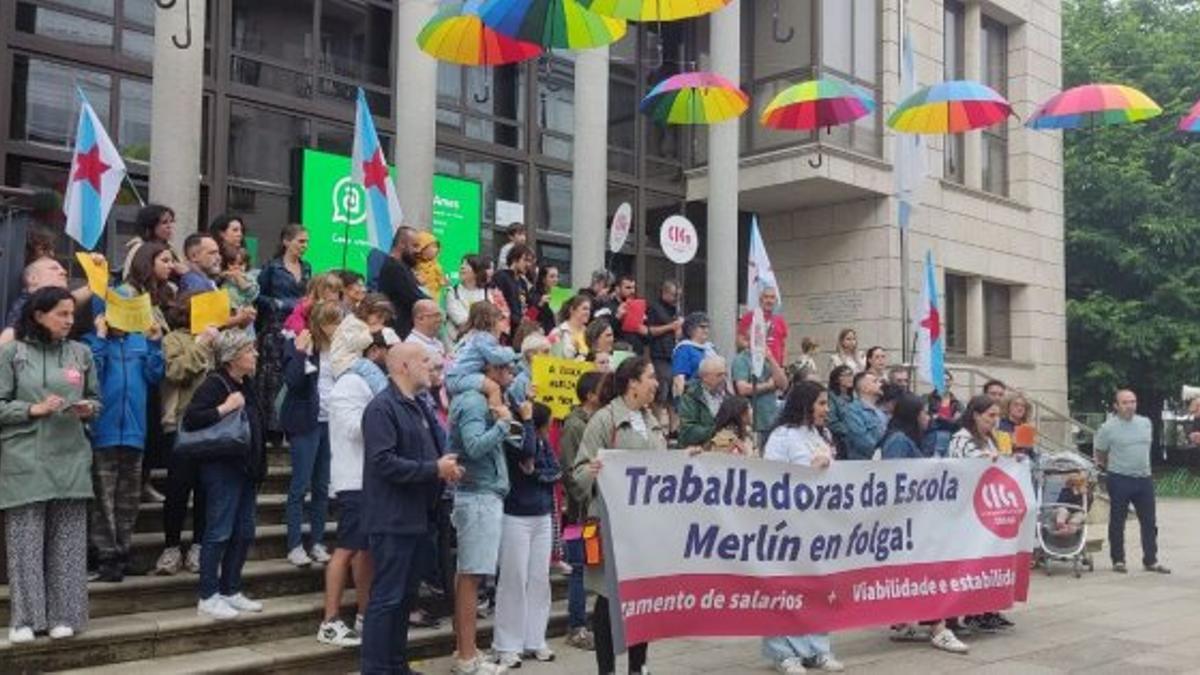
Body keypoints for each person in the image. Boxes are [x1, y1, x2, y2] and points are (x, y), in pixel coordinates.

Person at [0, 287, 99, 643]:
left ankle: (64, 615)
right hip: (25, 459)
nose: (70, 321)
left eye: (72, 314)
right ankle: (25, 619)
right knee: (25, 543)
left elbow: (96, 398)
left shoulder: (81, 353)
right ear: (39, 315)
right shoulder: (13, 353)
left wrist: (88, 408)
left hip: (71, 456)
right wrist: (32, 409)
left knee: (69, 542)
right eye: (62, 314)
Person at [360, 343, 464, 673]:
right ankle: (376, 668)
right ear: (403, 366)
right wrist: (433, 469)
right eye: (423, 360)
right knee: (387, 598)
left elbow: (433, 451)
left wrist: (445, 468)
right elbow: (383, 463)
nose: (431, 366)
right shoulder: (382, 408)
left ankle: (396, 664)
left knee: (404, 599)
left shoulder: (419, 406)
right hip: (392, 518)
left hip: (420, 517)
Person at [573, 357, 666, 675]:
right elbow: (579, 474)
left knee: (642, 597)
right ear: (633, 383)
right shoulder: (604, 419)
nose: (656, 382)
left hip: (645, 525)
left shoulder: (652, 419)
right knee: (608, 597)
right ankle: (606, 668)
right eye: (650, 377)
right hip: (611, 524)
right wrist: (593, 470)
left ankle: (638, 666)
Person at [449, 345, 526, 675]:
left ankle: (468, 651)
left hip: (488, 495)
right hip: (476, 495)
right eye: (508, 369)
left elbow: (519, 442)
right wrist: (501, 424)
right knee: (470, 576)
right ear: (490, 371)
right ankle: (466, 657)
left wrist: (511, 416)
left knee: (472, 574)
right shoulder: (470, 401)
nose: (512, 375)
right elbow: (474, 446)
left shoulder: (494, 400)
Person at [760, 381, 844, 673]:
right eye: (821, 403)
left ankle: (817, 648)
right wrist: (808, 470)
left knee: (817, 587)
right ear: (806, 404)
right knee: (785, 588)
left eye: (826, 403)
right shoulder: (782, 437)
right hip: (787, 525)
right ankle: (784, 652)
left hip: (818, 525)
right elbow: (769, 479)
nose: (826, 409)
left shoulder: (823, 434)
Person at [319, 315, 393, 645]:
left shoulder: (364, 382)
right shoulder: (350, 383)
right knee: (347, 549)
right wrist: (383, 419)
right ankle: (330, 620)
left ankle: (364, 614)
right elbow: (352, 427)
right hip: (353, 480)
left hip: (369, 480)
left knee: (365, 551)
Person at [183, 330, 267, 621]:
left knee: (244, 532)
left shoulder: (247, 383)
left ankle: (231, 589)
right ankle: (208, 595)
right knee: (219, 532)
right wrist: (224, 408)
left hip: (246, 470)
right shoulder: (214, 384)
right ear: (232, 357)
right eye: (249, 350)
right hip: (222, 469)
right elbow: (192, 419)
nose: (255, 355)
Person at [882, 393, 971, 654]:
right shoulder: (898, 440)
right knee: (925, 571)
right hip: (907, 519)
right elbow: (894, 478)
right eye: (923, 413)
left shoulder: (907, 437)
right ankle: (938, 627)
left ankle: (909, 622)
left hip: (914, 517)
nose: (928, 417)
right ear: (912, 415)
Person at [86, 296, 165, 582]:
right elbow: (91, 376)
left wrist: (155, 344)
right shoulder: (92, 342)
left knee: (128, 499)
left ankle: (123, 550)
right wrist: (100, 338)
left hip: (134, 432)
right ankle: (104, 555)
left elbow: (156, 375)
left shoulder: (139, 342)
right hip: (103, 434)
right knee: (103, 499)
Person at [493, 401, 561, 668]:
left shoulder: (543, 443)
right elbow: (526, 452)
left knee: (539, 579)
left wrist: (537, 475)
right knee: (514, 578)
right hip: (515, 517)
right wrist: (528, 421)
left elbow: (555, 470)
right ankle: (507, 644)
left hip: (541, 516)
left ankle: (535, 639)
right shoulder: (516, 436)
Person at [153, 293, 216, 576]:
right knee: (177, 489)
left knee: (205, 489)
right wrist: (201, 346)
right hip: (179, 422)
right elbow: (175, 372)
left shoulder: (214, 337)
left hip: (211, 423)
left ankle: (198, 547)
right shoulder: (173, 339)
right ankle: (171, 547)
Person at [281, 301, 344, 567]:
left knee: (321, 486)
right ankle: (294, 543)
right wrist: (299, 353)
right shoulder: (303, 343)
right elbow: (293, 381)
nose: (336, 327)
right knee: (300, 484)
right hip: (305, 421)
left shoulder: (341, 349)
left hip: (332, 421)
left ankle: (317, 541)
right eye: (331, 322)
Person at [1094, 389, 1170, 574]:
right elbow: (1100, 452)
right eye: (1125, 402)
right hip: (1119, 478)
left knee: (1149, 522)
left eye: (1133, 401)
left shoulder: (1145, 423)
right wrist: (1107, 467)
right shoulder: (1108, 428)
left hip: (1144, 479)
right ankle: (1118, 560)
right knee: (1118, 521)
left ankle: (1151, 560)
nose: (1130, 406)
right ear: (1116, 406)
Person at [558, 371, 603, 652]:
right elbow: (571, 469)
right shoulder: (575, 425)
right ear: (589, 394)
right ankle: (576, 626)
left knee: (595, 566)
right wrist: (584, 495)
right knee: (578, 569)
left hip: (596, 508)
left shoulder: (597, 421)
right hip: (580, 512)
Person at [257, 224, 312, 439]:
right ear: (286, 242)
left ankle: (290, 423)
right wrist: (278, 304)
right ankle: (271, 428)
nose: (304, 246)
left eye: (306, 242)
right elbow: (257, 296)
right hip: (275, 327)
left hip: (298, 328)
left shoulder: (307, 267)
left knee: (295, 373)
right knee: (273, 376)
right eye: (300, 241)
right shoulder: (272, 268)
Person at [731, 336, 788, 448]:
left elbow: (784, 384)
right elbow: (742, 389)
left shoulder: (767, 359)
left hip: (772, 419)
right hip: (754, 421)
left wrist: (771, 358)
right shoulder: (741, 360)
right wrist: (769, 385)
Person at [377, 225, 428, 340]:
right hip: (399, 331)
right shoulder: (395, 267)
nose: (418, 251)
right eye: (414, 246)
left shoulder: (402, 267)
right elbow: (415, 297)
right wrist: (432, 305)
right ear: (401, 244)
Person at [646, 279, 683, 428]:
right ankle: (656, 425)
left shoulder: (675, 309)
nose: (676, 299)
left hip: (673, 354)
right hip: (659, 354)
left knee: (674, 395)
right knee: (661, 392)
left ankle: (674, 428)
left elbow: (677, 331)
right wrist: (671, 326)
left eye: (679, 296)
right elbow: (650, 331)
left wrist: (678, 329)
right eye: (674, 296)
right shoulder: (655, 308)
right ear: (665, 293)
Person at [121, 203, 188, 281]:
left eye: (171, 222)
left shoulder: (171, 248)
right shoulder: (139, 248)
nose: (169, 226)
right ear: (150, 225)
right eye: (164, 222)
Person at [677, 355, 729, 448]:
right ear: (705, 377)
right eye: (719, 375)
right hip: (696, 453)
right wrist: (715, 430)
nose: (724, 379)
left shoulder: (728, 396)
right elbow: (687, 432)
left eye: (725, 374)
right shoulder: (690, 397)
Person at [838, 372, 888, 460]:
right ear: (865, 388)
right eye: (875, 382)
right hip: (862, 466)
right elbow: (862, 442)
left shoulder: (881, 411)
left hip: (883, 462)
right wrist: (886, 449)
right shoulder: (852, 411)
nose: (880, 384)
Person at [494, 244, 536, 344]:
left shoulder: (522, 282)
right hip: (504, 333)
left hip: (519, 334)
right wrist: (518, 320)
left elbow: (529, 307)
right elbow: (498, 305)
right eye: (525, 260)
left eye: (530, 261)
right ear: (514, 259)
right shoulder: (501, 276)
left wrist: (538, 306)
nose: (528, 265)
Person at [738, 285, 789, 365]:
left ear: (775, 300)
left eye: (772, 297)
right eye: (766, 297)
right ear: (760, 299)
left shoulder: (780, 320)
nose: (769, 300)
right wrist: (753, 346)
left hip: (775, 367)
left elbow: (784, 346)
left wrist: (784, 366)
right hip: (754, 365)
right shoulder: (749, 317)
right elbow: (739, 340)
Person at [671, 311, 716, 397]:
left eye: (707, 327)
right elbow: (679, 379)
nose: (706, 330)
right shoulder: (684, 349)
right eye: (702, 327)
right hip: (693, 398)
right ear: (690, 329)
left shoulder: (711, 349)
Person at [220, 245, 260, 336]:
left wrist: (237, 277)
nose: (236, 267)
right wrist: (224, 275)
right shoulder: (226, 278)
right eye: (232, 264)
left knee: (245, 337)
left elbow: (249, 290)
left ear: (246, 265)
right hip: (228, 313)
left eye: (240, 264)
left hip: (243, 312)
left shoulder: (248, 277)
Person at [446, 255, 489, 340]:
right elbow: (459, 319)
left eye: (466, 264)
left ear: (477, 270)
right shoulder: (452, 292)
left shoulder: (486, 293)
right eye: (462, 264)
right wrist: (479, 323)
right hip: (457, 342)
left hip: (481, 340)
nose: (462, 267)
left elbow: (490, 319)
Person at [610, 275, 646, 355]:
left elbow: (646, 337)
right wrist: (617, 316)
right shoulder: (608, 306)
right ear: (617, 289)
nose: (632, 291)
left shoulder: (638, 305)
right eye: (628, 288)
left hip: (637, 352)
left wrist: (644, 324)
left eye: (633, 288)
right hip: (619, 352)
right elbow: (603, 331)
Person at [510, 334, 551, 404]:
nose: (550, 356)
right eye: (546, 352)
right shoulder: (520, 382)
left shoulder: (550, 377)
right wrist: (529, 400)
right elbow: (518, 410)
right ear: (531, 355)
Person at [549, 294, 592, 360]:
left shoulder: (589, 332)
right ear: (572, 310)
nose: (588, 312)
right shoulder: (557, 332)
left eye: (589, 309)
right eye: (584, 309)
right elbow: (551, 357)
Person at [413, 230, 449, 300]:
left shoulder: (436, 266)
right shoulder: (413, 263)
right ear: (422, 247)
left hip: (432, 298)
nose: (436, 249)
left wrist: (444, 281)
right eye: (433, 246)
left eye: (437, 247)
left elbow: (442, 280)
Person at [529, 265, 561, 336]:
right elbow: (529, 317)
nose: (555, 279)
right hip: (540, 336)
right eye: (552, 276)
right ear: (543, 279)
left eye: (557, 276)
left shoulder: (558, 294)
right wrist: (540, 303)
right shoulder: (535, 294)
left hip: (555, 335)